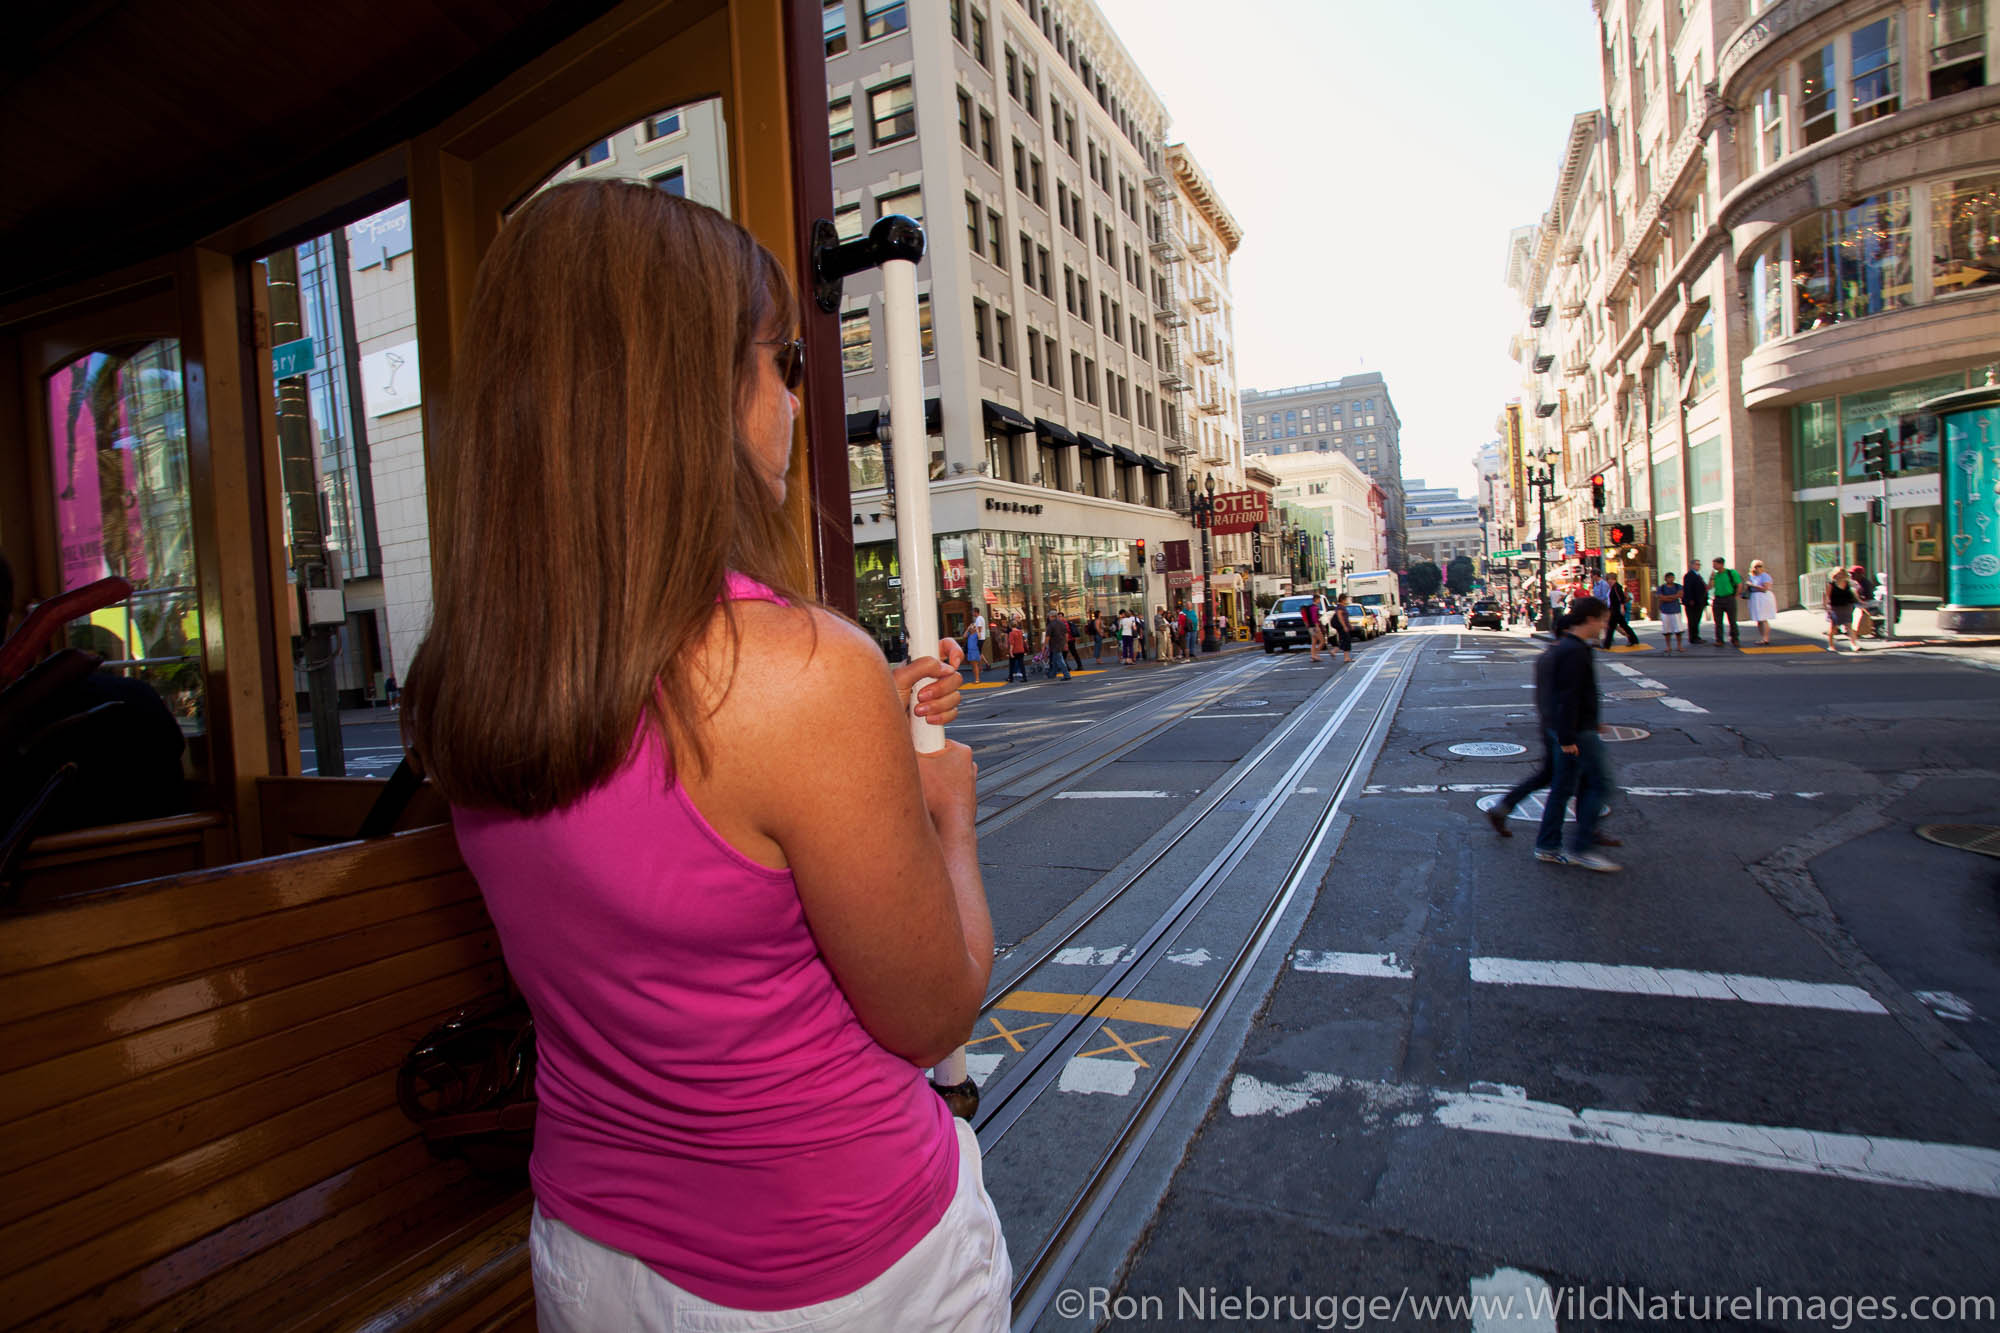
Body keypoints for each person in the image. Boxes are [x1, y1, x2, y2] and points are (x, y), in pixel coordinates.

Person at [399, 182, 1008, 1330]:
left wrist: (843, 731)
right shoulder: (796, 672)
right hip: (836, 1270)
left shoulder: (469, 678)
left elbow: (657, 812)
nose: (789, 397)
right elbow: (933, 1011)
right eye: (777, 363)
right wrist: (943, 813)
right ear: (691, 391)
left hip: (588, 1253)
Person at [1532, 596, 1619, 872]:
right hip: (1575, 732)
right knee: (1601, 784)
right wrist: (1568, 737)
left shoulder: (1572, 648)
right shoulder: (1575, 651)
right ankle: (1581, 847)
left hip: (1574, 728)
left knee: (1564, 788)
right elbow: (1568, 696)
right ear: (1590, 620)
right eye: (1603, 620)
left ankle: (1549, 845)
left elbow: (1574, 695)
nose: (1605, 625)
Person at [1824, 566, 1863, 652]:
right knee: (1833, 627)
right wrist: (1826, 607)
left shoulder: (1848, 583)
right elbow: (1827, 596)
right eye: (1838, 574)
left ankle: (1854, 645)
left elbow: (1854, 592)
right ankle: (1831, 645)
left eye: (1841, 574)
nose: (1840, 576)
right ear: (1834, 575)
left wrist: (1860, 601)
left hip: (1847, 605)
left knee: (1849, 625)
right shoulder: (1831, 584)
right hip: (1835, 607)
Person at [1708, 556, 1742, 647]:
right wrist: (1711, 578)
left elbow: (1739, 584)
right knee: (1718, 621)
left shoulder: (1731, 573)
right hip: (1718, 599)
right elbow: (1709, 587)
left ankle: (1735, 639)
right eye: (1713, 565)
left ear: (1721, 564)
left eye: (1715, 564)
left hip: (1729, 598)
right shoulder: (1715, 575)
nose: (1714, 566)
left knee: (1732, 620)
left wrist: (1735, 595)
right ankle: (1719, 640)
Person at [1600, 575, 1640, 649]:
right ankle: (1634, 639)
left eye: (1609, 579)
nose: (1608, 581)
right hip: (1615, 609)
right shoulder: (1613, 587)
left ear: (1613, 579)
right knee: (1623, 625)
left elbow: (1620, 598)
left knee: (1611, 627)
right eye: (1608, 580)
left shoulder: (1616, 587)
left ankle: (1607, 644)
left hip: (1616, 610)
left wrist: (1621, 607)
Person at [1745, 559, 1777, 645]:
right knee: (1758, 619)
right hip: (1755, 597)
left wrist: (1752, 585)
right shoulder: (1751, 576)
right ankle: (1762, 637)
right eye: (1756, 566)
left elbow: (1765, 588)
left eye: (1760, 566)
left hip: (1763, 597)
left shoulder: (1765, 576)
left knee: (1763, 618)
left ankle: (1766, 638)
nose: (1758, 568)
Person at [1656, 570, 1686, 654]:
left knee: (1678, 630)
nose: (1671, 579)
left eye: (1672, 577)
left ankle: (1679, 646)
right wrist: (1673, 597)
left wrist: (1667, 597)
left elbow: (1680, 595)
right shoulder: (1661, 587)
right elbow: (1661, 597)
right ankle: (1668, 646)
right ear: (1665, 579)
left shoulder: (1678, 586)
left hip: (1675, 610)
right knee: (1666, 630)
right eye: (1669, 578)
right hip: (1665, 611)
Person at [1681, 562, 1708, 644]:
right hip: (1693, 602)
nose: (1698, 566)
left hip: (1699, 602)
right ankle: (1693, 637)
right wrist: (1690, 600)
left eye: (1699, 564)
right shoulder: (1689, 575)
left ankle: (1696, 636)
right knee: (1693, 620)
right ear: (1692, 565)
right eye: (1696, 564)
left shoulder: (1698, 575)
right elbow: (1688, 588)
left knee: (1696, 620)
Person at [1045, 611, 1072, 680]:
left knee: (1060, 660)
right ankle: (1052, 674)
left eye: (1049, 617)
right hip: (1061, 643)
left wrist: (1045, 645)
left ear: (1051, 617)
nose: (1048, 618)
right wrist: (1066, 643)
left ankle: (1067, 675)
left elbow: (1047, 637)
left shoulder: (1050, 625)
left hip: (1054, 645)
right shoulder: (1062, 623)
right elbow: (1066, 634)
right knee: (1054, 660)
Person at [966, 610, 986, 685]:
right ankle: (980, 668)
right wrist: (968, 628)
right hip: (971, 650)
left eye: (972, 612)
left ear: (975, 612)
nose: (972, 614)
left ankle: (979, 671)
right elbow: (964, 636)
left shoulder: (978, 619)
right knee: (973, 665)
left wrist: (976, 629)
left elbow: (979, 631)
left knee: (975, 664)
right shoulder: (969, 634)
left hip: (975, 648)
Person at [1304, 592, 1323, 661]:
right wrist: (1317, 627)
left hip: (1310, 627)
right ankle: (1315, 655)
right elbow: (1314, 618)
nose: (1319, 601)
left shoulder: (1309, 607)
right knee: (1322, 641)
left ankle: (1313, 655)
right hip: (1315, 627)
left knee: (1314, 642)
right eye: (1319, 599)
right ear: (1316, 599)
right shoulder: (1315, 608)